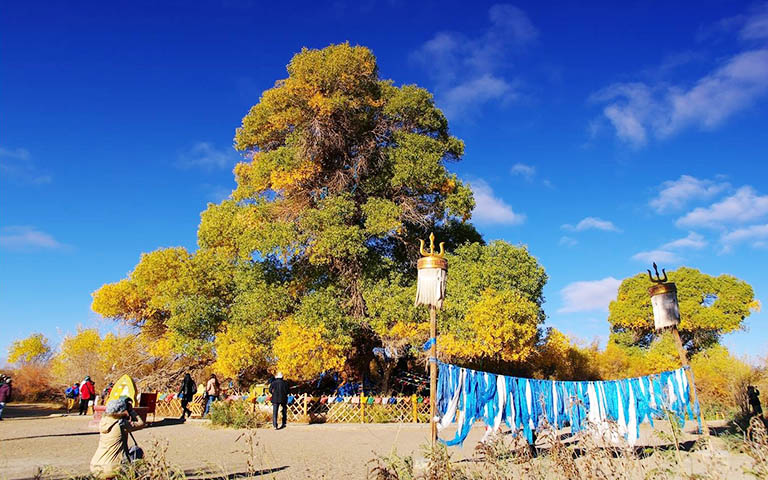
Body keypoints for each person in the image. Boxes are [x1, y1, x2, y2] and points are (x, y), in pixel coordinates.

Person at [90, 397, 146, 479]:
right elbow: (141, 423)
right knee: (137, 451)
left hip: (95, 466)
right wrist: (131, 411)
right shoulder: (121, 424)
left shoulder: (104, 421)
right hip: (111, 468)